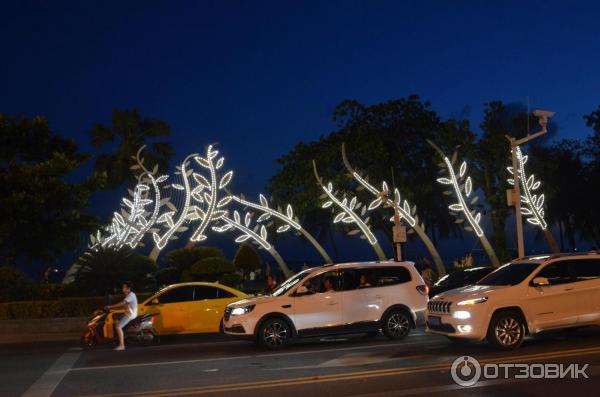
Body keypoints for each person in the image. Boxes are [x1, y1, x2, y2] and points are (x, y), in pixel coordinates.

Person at [105, 281, 138, 351]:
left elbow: (122, 303)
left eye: (124, 287)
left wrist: (110, 307)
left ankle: (122, 345)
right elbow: (123, 306)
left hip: (130, 315)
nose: (122, 288)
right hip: (127, 313)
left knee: (118, 327)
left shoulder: (130, 295)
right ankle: (119, 337)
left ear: (128, 288)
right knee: (115, 317)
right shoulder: (128, 295)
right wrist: (113, 308)